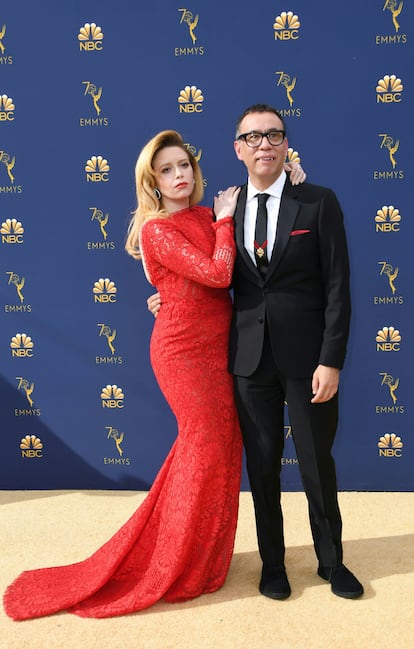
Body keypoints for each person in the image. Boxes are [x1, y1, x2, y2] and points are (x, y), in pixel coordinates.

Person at [3, 129, 243, 620]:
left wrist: (223, 220)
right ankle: (171, 558)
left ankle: (203, 554)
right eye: (167, 170)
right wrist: (224, 223)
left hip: (220, 349)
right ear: (152, 182)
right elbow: (219, 274)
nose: (180, 176)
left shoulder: (202, 216)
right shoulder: (159, 229)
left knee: (219, 447)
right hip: (182, 353)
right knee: (202, 445)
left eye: (185, 166)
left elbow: (195, 280)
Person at [148, 105, 364, 601]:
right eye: (253, 137)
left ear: (286, 144)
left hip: (309, 362)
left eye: (274, 135)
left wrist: (331, 359)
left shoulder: (317, 202)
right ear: (238, 149)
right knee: (262, 467)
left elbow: (338, 288)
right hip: (246, 363)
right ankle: (273, 564)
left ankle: (332, 562)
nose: (264, 144)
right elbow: (188, 264)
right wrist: (161, 296)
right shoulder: (221, 212)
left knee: (316, 464)